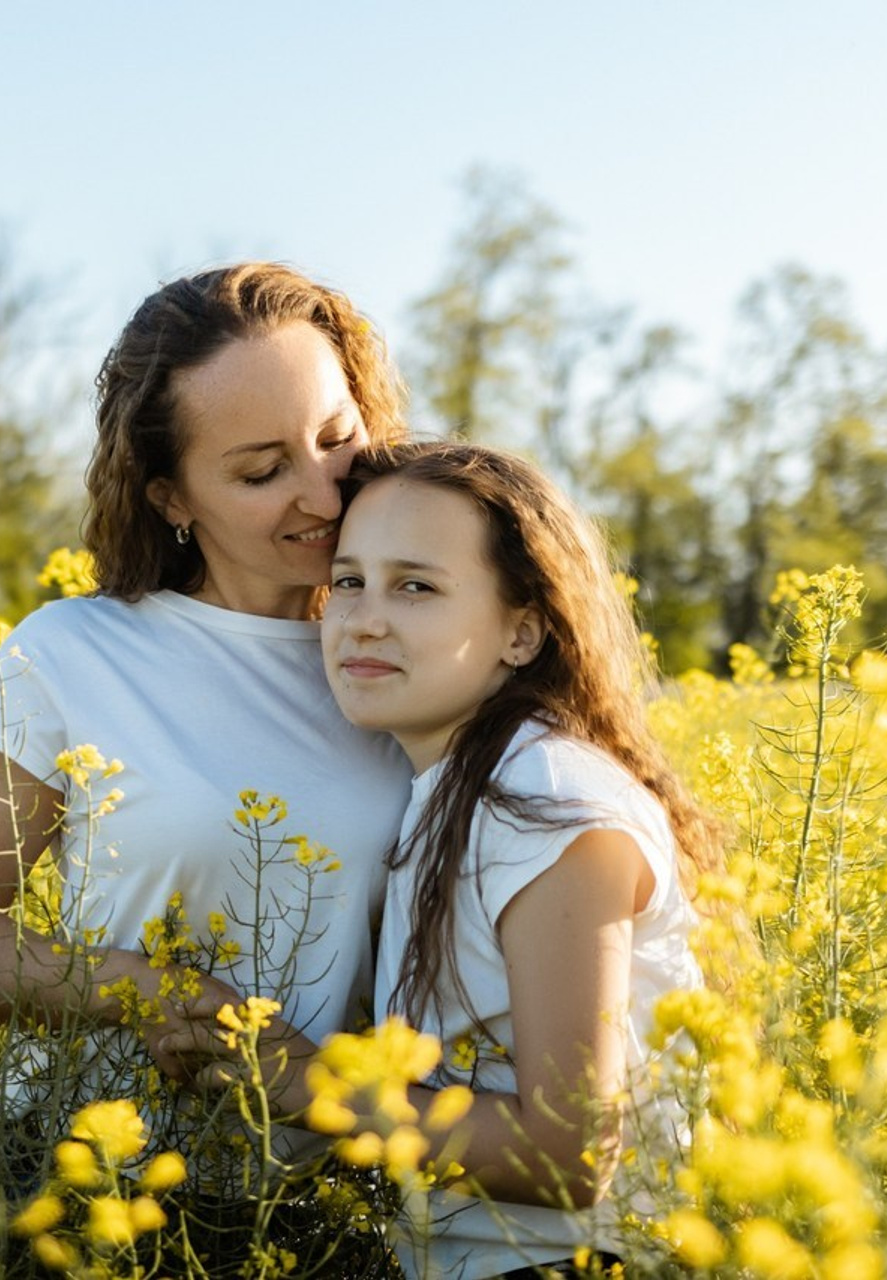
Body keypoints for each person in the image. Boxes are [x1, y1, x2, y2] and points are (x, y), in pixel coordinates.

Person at [0, 263, 413, 1204]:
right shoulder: (74, 655)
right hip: (80, 1181)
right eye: (261, 471)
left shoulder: (416, 658)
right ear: (170, 497)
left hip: (329, 1203)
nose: (326, 497)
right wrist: (168, 994)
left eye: (337, 437)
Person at [195, 440, 723, 1278]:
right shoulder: (457, 786)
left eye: (417, 586)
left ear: (522, 631)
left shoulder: (544, 798)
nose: (366, 617)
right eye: (351, 581)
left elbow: (571, 1156)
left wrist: (300, 1083)